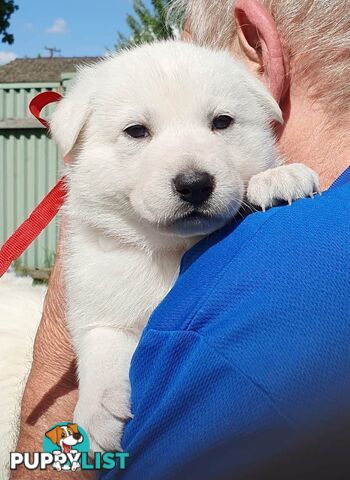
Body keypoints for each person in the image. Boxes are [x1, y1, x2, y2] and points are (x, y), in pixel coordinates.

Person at [12, 0, 350, 478]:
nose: (191, 172)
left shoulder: (277, 268)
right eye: (137, 130)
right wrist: (101, 377)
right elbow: (106, 326)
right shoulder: (96, 258)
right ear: (77, 144)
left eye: (221, 122)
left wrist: (264, 183)